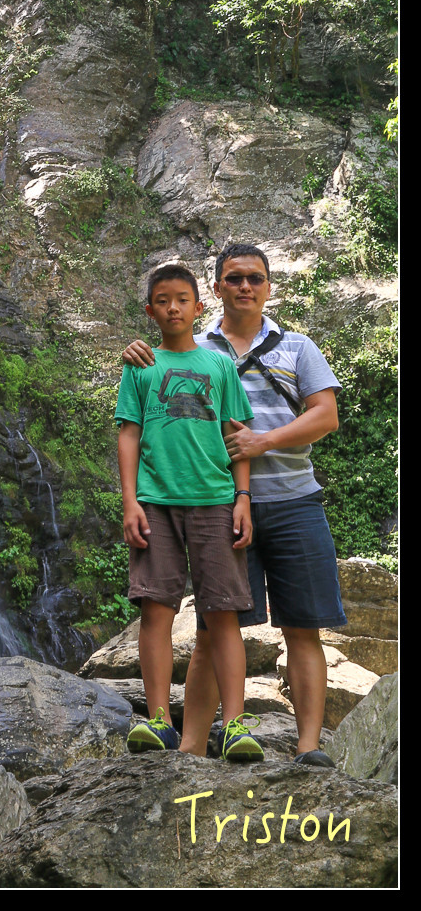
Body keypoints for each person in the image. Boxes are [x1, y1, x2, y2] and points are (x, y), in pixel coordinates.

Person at [121, 242, 344, 766]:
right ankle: (192, 748)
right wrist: (133, 351)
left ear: (268, 287)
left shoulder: (297, 347)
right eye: (235, 278)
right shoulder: (190, 346)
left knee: (302, 626)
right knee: (212, 627)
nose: (246, 286)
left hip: (291, 501)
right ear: (216, 288)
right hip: (213, 505)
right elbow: (144, 396)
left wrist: (262, 442)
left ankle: (308, 749)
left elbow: (326, 415)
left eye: (255, 278)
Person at [116, 261, 264, 762]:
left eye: (182, 299)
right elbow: (129, 433)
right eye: (163, 301)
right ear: (150, 311)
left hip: (215, 500)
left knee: (222, 614)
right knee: (155, 609)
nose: (173, 308)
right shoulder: (140, 366)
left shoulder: (219, 366)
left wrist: (242, 499)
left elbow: (236, 436)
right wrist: (130, 501)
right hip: (155, 503)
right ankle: (159, 720)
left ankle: (236, 724)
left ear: (199, 307)